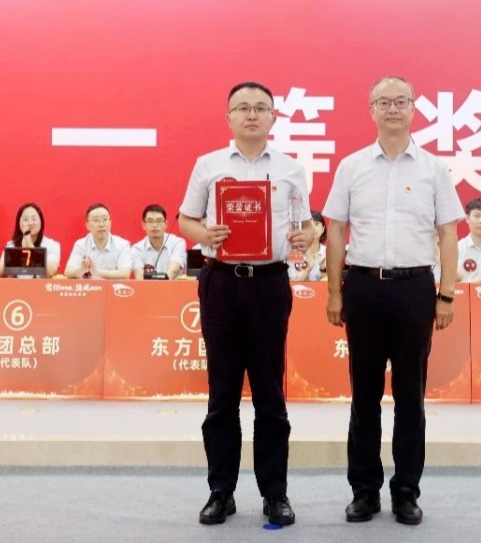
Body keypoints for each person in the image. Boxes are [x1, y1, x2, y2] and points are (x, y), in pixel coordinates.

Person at [324, 76, 463, 526]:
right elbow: (336, 231)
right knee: (363, 395)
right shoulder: (352, 166)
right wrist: (334, 290)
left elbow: (447, 234)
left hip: (414, 289)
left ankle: (406, 491)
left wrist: (446, 295)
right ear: (371, 110)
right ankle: (364, 491)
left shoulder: (434, 169)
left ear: (414, 108)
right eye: (383, 102)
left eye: (400, 101)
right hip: (363, 287)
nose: (392, 109)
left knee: (410, 397)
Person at [178, 81, 312, 527]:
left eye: (260, 108)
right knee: (222, 394)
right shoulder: (209, 165)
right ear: (229, 118)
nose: (252, 114)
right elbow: (185, 219)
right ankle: (221, 490)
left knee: (270, 395)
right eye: (243, 108)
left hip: (269, 285)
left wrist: (304, 238)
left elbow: (306, 226)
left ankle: (275, 493)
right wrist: (205, 235)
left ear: (273, 116)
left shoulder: (290, 169)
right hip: (221, 283)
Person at [63, 203, 132, 279]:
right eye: (96, 220)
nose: (101, 224)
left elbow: (125, 274)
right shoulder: (81, 245)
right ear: (87, 225)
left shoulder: (122, 245)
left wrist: (96, 272)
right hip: (89, 286)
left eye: (105, 219)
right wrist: (82, 269)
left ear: (110, 222)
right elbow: (68, 272)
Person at [0, 203, 61, 278]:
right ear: (19, 223)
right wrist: (15, 254)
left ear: (41, 222)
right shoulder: (11, 245)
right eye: (25, 219)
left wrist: (30, 246)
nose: (30, 223)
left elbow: (50, 272)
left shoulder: (52, 245)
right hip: (17, 285)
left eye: (34, 219)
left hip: (41, 285)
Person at [130, 204, 186, 280]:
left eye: (159, 221)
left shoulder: (177, 243)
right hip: (147, 287)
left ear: (166, 224)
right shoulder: (137, 249)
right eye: (150, 221)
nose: (155, 225)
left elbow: (172, 272)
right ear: (143, 225)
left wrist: (159, 287)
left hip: (173, 286)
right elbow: (140, 277)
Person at [289, 211, 327, 281]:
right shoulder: (294, 253)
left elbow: (329, 284)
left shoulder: (327, 253)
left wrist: (323, 270)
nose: (313, 228)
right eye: (310, 225)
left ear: (323, 229)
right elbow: (292, 284)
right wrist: (308, 269)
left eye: (316, 224)